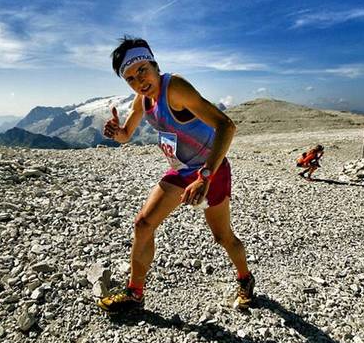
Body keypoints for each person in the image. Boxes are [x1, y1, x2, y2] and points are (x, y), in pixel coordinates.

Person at [97, 36, 254, 313]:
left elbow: (226, 127)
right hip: (181, 170)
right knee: (143, 224)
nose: (139, 81)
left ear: (154, 64)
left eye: (142, 70)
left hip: (211, 170)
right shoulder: (142, 99)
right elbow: (126, 136)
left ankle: (245, 279)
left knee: (222, 237)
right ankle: (135, 294)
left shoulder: (175, 88)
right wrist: (117, 133)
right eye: (131, 78)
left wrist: (205, 176)